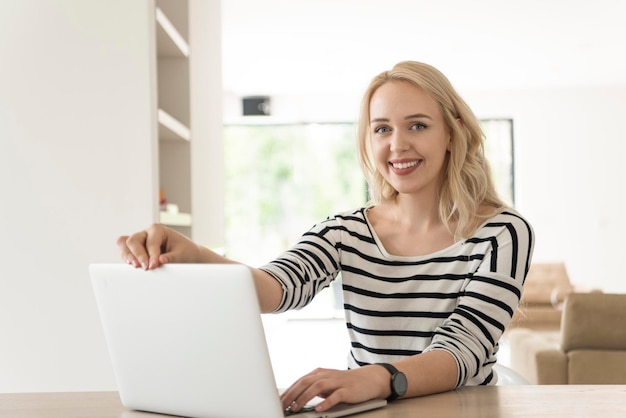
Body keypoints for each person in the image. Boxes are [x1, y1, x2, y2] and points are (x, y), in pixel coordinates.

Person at [118, 61, 534, 413]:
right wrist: (194, 255)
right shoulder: (345, 230)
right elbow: (279, 287)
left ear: (451, 133)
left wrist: (376, 378)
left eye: (418, 125)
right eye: (382, 129)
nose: (397, 144)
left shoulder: (502, 233)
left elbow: (463, 350)